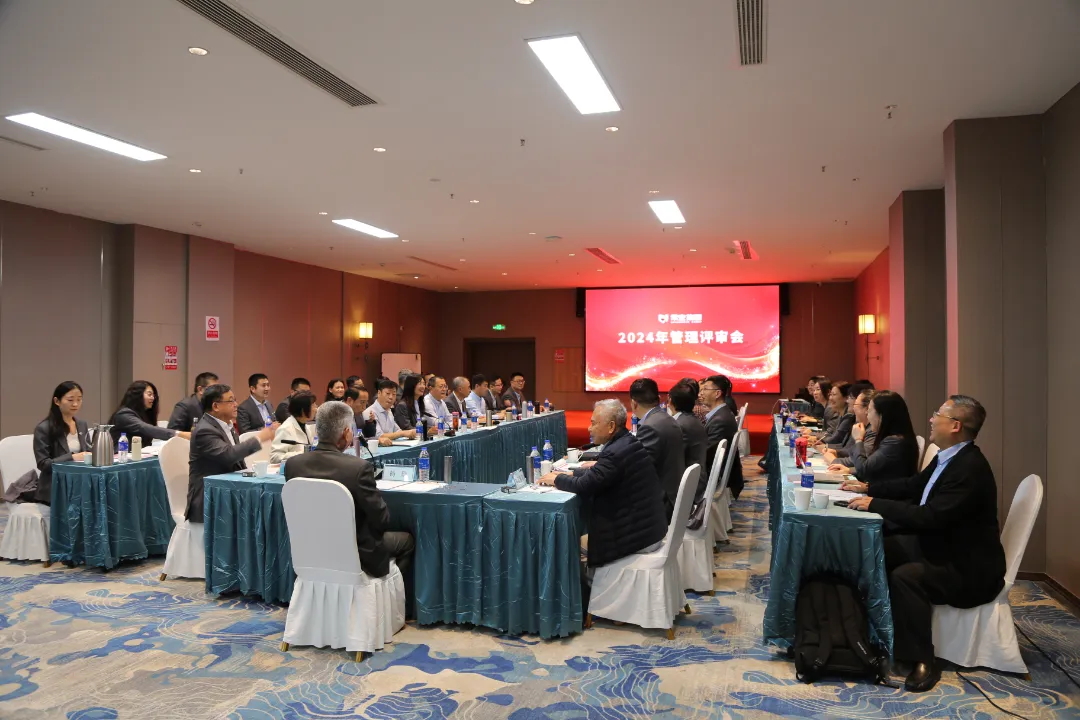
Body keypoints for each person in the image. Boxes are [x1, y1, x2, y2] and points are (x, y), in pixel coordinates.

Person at [847, 395, 1006, 692]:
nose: (931, 419)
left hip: (967, 565)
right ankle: (866, 630)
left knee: (906, 576)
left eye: (938, 415)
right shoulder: (949, 456)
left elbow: (931, 517)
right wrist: (869, 488)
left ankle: (922, 658)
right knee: (875, 547)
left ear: (955, 426)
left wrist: (875, 504)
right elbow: (913, 486)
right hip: (942, 544)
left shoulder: (969, 468)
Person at [285, 401, 415, 578]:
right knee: (407, 541)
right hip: (356, 552)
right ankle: (391, 593)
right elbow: (382, 520)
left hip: (310, 551)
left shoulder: (293, 465)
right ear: (347, 433)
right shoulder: (358, 468)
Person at [536, 400, 668, 570]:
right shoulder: (627, 442)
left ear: (611, 426)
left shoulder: (614, 452)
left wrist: (556, 479)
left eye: (594, 423)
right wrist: (572, 473)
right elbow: (600, 474)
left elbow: (584, 486)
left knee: (564, 544)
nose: (589, 428)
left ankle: (583, 586)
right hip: (648, 530)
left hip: (636, 537)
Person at [186, 384, 276, 521]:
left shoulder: (227, 426)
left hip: (228, 490)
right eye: (231, 401)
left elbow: (238, 462)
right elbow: (228, 455)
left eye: (235, 400)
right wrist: (259, 438)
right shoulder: (204, 430)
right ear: (215, 406)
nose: (236, 404)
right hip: (209, 498)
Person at [833, 390, 919, 487]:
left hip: (888, 495)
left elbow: (864, 470)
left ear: (881, 415)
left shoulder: (894, 442)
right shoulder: (895, 438)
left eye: (869, 410)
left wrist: (858, 440)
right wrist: (850, 471)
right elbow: (873, 468)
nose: (867, 414)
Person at [630, 378, 685, 518]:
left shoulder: (650, 426)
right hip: (673, 494)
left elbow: (637, 468)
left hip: (662, 502)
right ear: (659, 399)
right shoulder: (666, 418)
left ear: (634, 403)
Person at [31, 381, 91, 505]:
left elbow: (88, 451)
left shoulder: (82, 425)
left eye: (79, 399)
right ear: (57, 401)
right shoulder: (44, 428)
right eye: (70, 400)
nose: (75, 404)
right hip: (56, 486)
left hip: (80, 482)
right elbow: (43, 464)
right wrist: (72, 457)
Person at [700, 375, 743, 499]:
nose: (700, 393)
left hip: (713, 477)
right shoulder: (722, 413)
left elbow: (708, 456)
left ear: (717, 393)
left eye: (705, 389)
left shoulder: (720, 420)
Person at [109, 380, 187, 446]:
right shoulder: (123, 414)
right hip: (121, 457)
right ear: (137, 395)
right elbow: (145, 428)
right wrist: (179, 434)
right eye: (149, 394)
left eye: (154, 395)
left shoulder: (144, 415)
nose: (153, 398)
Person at [668, 382, 708, 502]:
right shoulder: (692, 420)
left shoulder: (679, 425)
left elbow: (670, 459)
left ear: (670, 401)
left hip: (689, 486)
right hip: (697, 479)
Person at [825, 389, 876, 467]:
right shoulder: (861, 425)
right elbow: (852, 450)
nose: (848, 401)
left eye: (855, 404)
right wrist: (837, 452)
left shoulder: (873, 430)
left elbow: (860, 461)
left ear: (867, 409)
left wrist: (833, 460)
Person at [363, 378, 417, 446]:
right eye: (388, 393)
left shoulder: (389, 410)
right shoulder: (370, 412)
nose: (391, 397)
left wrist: (409, 433)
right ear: (379, 393)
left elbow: (397, 430)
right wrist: (402, 433)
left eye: (394, 394)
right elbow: (379, 436)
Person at [271, 390, 316, 463]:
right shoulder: (285, 428)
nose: (316, 408)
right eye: (313, 405)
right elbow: (274, 457)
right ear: (303, 410)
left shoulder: (306, 426)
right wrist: (301, 454)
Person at [815, 381, 853, 447]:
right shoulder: (841, 414)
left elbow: (835, 439)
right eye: (830, 395)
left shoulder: (848, 416)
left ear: (846, 398)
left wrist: (823, 444)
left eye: (834, 395)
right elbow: (831, 434)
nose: (830, 398)